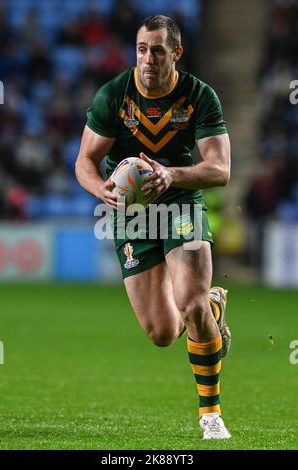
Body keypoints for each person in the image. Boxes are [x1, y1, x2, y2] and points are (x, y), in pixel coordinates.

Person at [75, 15, 231, 440]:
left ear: (176, 53)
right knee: (163, 332)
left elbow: (219, 169)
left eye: (157, 50)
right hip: (132, 212)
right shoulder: (114, 95)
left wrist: (173, 176)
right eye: (142, 49)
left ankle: (210, 414)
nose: (147, 58)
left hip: (180, 202)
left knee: (190, 304)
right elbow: (84, 162)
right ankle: (213, 308)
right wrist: (101, 192)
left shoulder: (199, 96)